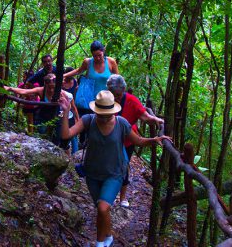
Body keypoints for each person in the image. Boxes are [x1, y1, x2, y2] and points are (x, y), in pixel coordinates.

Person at [58, 90, 172, 247]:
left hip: (114, 174)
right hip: (92, 174)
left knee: (103, 208)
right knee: (101, 209)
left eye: (107, 113)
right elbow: (66, 135)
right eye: (101, 113)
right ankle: (109, 234)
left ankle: (99, 243)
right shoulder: (88, 120)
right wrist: (65, 112)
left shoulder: (121, 124)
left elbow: (137, 140)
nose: (104, 117)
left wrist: (154, 140)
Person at [107, 74, 164, 208]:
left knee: (124, 166)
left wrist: (155, 120)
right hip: (109, 139)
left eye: (119, 94)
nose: (116, 98)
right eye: (114, 94)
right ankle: (108, 195)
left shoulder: (132, 100)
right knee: (109, 166)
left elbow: (144, 116)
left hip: (127, 139)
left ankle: (122, 198)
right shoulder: (105, 98)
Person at [4, 74, 79, 150]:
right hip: (42, 117)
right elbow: (25, 91)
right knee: (42, 133)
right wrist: (10, 88)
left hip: (56, 117)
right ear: (45, 85)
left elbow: (68, 106)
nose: (51, 90)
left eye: (53, 87)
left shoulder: (61, 93)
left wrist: (65, 114)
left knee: (57, 138)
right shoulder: (41, 90)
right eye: (49, 87)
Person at [63, 41, 119, 116]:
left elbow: (118, 80)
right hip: (89, 101)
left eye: (100, 55)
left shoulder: (111, 62)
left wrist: (118, 96)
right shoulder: (88, 62)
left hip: (106, 100)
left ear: (104, 51)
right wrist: (64, 76)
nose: (98, 58)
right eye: (95, 56)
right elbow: (78, 71)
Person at [17, 70, 40, 134]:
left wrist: (26, 93)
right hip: (26, 105)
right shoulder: (22, 85)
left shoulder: (36, 85)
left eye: (25, 77)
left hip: (34, 106)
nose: (23, 78)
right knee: (29, 120)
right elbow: (17, 92)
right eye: (23, 77)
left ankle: (31, 133)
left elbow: (36, 95)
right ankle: (30, 132)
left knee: (31, 120)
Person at [62, 67, 79, 154]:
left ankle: (75, 154)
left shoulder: (75, 82)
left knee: (74, 135)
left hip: (72, 108)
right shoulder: (62, 83)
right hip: (63, 111)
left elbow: (74, 97)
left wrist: (77, 118)